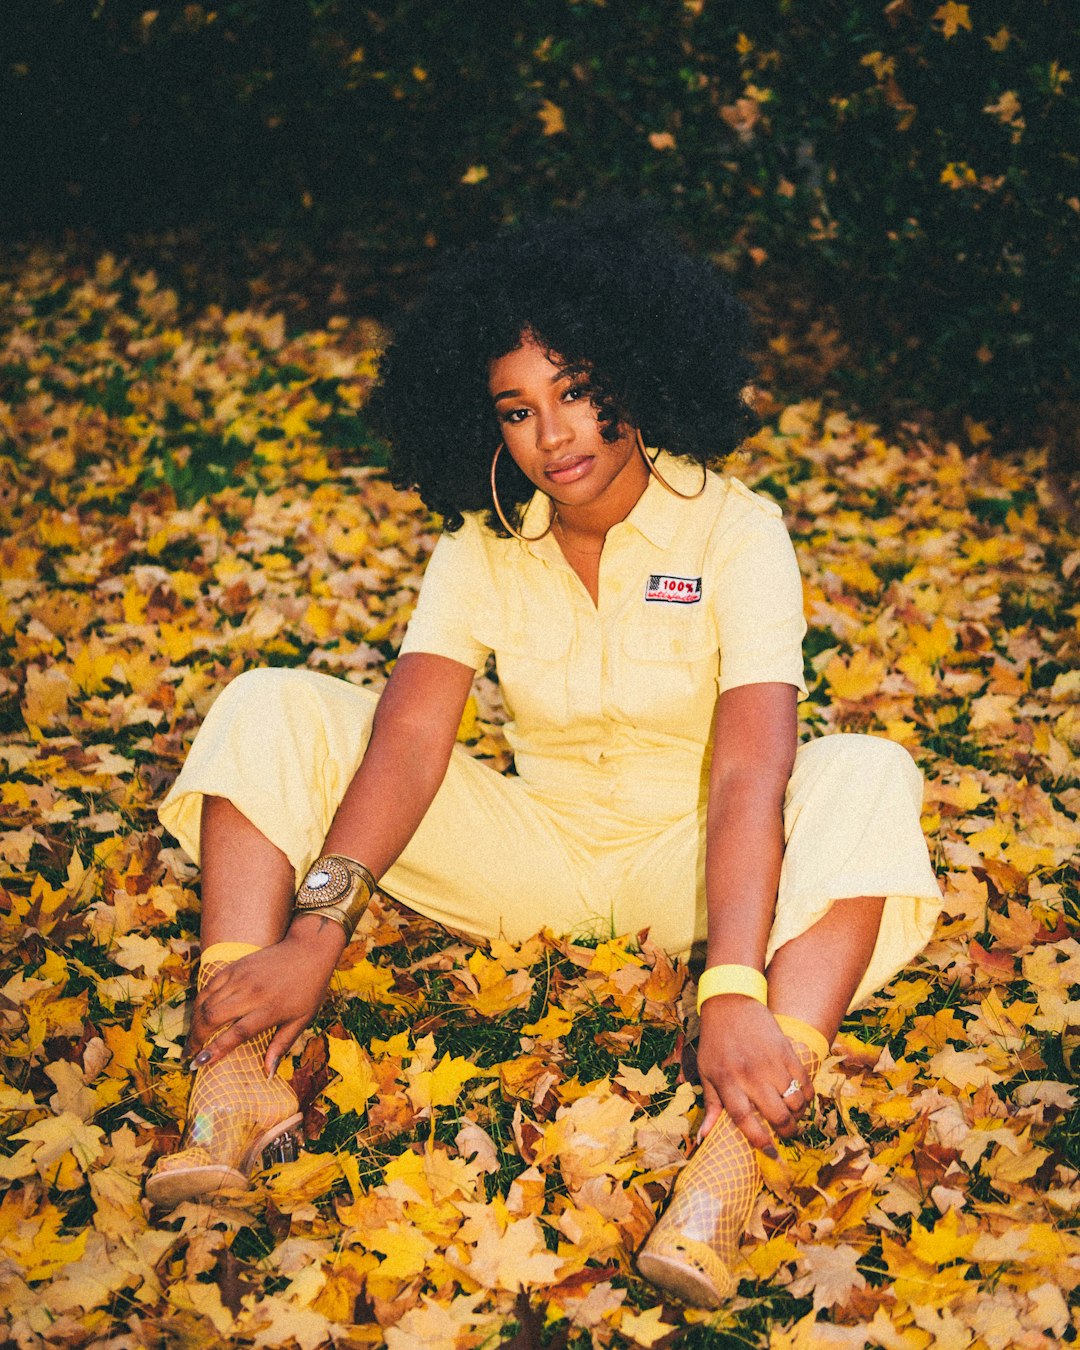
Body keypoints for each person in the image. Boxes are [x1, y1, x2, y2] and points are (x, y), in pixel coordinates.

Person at [144, 204, 942, 1307]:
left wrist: (730, 987)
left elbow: (750, 774)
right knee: (273, 701)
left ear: (639, 371)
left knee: (866, 773)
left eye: (573, 390)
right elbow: (415, 737)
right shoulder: (482, 542)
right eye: (517, 409)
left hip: (691, 870)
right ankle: (235, 1074)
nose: (552, 434)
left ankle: (733, 1153)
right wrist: (318, 930)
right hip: (534, 861)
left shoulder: (736, 530)